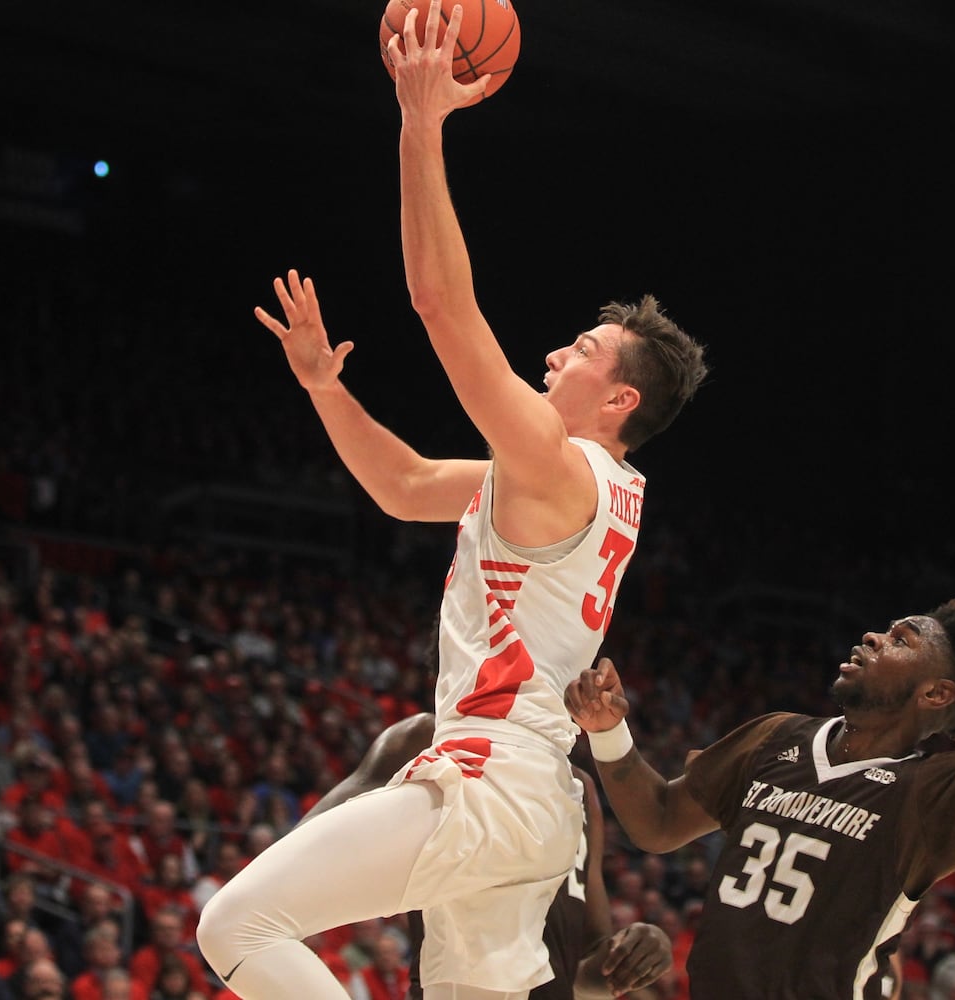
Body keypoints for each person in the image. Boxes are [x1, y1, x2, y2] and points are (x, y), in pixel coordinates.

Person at [194, 2, 706, 997]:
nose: (558, 352)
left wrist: (419, 123)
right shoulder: (581, 485)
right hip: (534, 804)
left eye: (583, 352)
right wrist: (324, 386)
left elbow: (441, 305)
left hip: (493, 779)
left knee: (237, 922)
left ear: (621, 398)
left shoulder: (558, 464)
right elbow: (402, 485)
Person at [566, 485, 955, 999]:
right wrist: (610, 731)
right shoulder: (775, 736)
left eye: (901, 639)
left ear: (935, 694)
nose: (872, 636)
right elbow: (659, 823)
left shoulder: (933, 792)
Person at [300, 712, 675, 1000]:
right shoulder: (427, 739)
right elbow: (302, 848)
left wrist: (632, 957)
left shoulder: (580, 786)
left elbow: (587, 969)